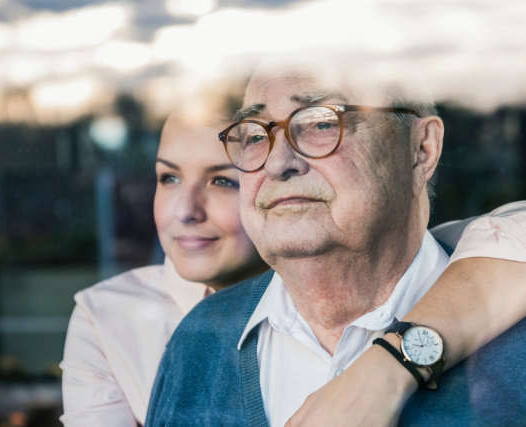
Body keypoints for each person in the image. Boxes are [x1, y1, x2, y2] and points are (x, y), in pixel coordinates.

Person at [145, 53, 526, 427]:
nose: (278, 163)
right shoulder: (197, 341)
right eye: (255, 135)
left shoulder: (516, 346)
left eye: (320, 122)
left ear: (421, 150)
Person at [60, 106, 269, 426]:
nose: (185, 211)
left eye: (223, 181)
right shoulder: (106, 318)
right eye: (169, 178)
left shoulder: (327, 309)